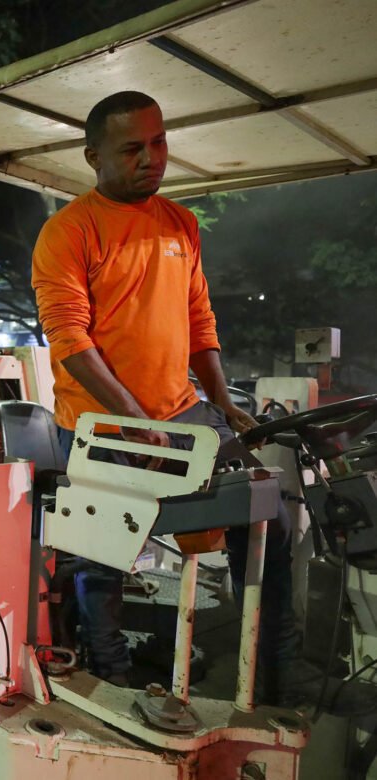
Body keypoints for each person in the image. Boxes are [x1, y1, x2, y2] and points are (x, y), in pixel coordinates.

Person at [31, 90, 373, 714]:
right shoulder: (68, 230)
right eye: (132, 149)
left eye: (158, 142)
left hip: (183, 412)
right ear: (94, 157)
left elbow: (198, 320)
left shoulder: (179, 224)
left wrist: (222, 399)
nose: (151, 158)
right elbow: (70, 339)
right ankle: (111, 680)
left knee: (263, 509)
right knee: (103, 555)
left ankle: (274, 669)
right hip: (96, 424)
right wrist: (135, 421)